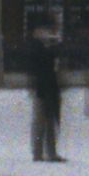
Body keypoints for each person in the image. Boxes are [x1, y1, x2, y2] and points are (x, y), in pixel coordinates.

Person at [28, 34, 65, 163]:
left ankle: (40, 152)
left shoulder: (41, 53)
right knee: (46, 123)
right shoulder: (47, 54)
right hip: (46, 91)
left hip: (45, 90)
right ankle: (47, 153)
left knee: (43, 123)